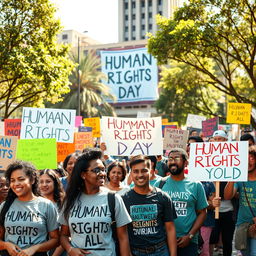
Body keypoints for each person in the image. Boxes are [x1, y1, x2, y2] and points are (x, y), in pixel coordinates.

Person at [59, 148, 131, 256]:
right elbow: (63, 235)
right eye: (97, 170)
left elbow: (123, 237)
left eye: (103, 169)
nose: (102, 174)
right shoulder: (70, 200)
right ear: (83, 174)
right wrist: (70, 249)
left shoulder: (113, 198)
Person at [155, 148, 208, 256]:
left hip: (188, 241)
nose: (173, 162)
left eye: (177, 158)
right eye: (170, 159)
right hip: (163, 241)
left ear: (185, 162)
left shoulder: (196, 185)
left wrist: (190, 236)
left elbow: (202, 212)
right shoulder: (159, 184)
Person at [0, 160, 59, 256]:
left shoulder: (46, 205)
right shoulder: (4, 206)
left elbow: (56, 239)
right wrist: (6, 245)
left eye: (21, 179)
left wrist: (35, 248)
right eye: (12, 180)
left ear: (32, 180)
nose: (16, 184)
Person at [122, 155, 177, 256]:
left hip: (160, 251)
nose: (140, 175)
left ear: (151, 171)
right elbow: (123, 234)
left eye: (144, 171)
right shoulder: (124, 199)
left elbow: (170, 229)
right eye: (135, 171)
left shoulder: (163, 197)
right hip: (135, 251)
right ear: (131, 174)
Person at [224, 145, 256, 256]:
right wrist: (232, 178)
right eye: (246, 158)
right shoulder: (239, 178)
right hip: (242, 225)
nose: (249, 161)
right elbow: (228, 196)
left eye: (252, 158)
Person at [209, 130, 236, 256]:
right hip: (212, 211)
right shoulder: (207, 161)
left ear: (226, 141)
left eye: (221, 139)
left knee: (227, 241)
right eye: (216, 139)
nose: (218, 142)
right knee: (211, 239)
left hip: (228, 210)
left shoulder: (232, 161)